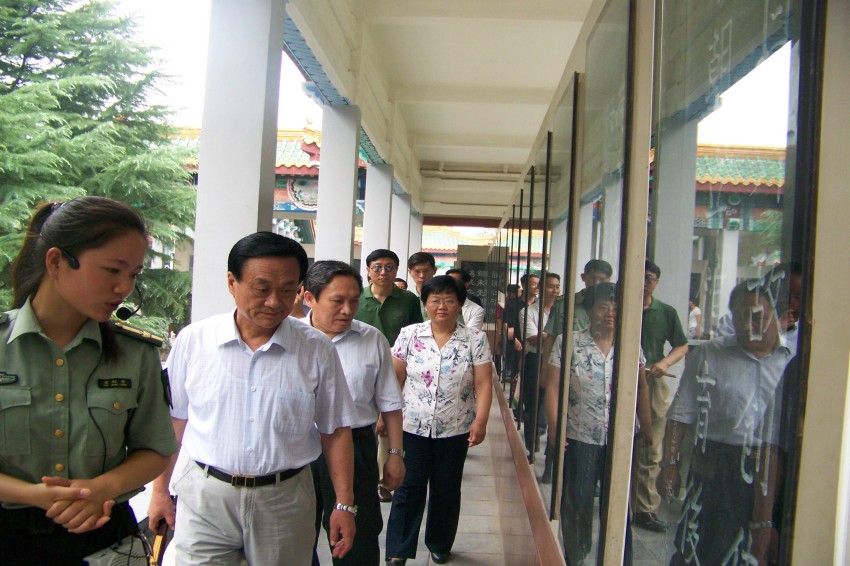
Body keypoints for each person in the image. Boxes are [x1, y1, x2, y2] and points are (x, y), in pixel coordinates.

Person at [147, 232, 357, 565]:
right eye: (262, 289)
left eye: (287, 290)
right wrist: (160, 491)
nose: (274, 302)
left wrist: (344, 504)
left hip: (284, 499)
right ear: (232, 282)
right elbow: (174, 421)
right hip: (205, 497)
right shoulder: (194, 341)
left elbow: (336, 430)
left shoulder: (316, 348)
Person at [0, 196, 178, 564]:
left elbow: (155, 448)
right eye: (112, 270)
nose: (123, 288)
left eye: (133, 275)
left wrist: (101, 489)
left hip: (105, 545)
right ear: (56, 262)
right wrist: (34, 495)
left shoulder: (135, 353)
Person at [658, 280, 795, 565]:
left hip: (774, 470)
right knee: (699, 552)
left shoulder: (793, 363)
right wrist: (669, 464)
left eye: (756, 317)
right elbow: (681, 414)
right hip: (716, 469)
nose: (746, 325)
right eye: (739, 317)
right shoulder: (710, 354)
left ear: (781, 315)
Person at [300, 261, 405, 566]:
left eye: (354, 301)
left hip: (356, 446)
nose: (347, 310)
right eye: (337, 301)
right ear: (309, 298)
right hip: (300, 448)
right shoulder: (291, 339)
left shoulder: (372, 339)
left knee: (358, 534)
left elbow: (390, 402)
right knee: (297, 533)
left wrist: (395, 454)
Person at [385, 275, 493, 565]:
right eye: (435, 300)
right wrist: (386, 416)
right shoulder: (410, 334)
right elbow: (395, 377)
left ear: (459, 304)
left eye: (449, 300)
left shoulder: (474, 339)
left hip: (455, 427)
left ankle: (440, 542)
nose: (441, 306)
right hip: (412, 426)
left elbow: (483, 383)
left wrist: (481, 420)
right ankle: (398, 549)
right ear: (425, 304)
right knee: (408, 487)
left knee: (446, 488)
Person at [546, 282, 651, 566]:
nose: (610, 313)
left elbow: (641, 387)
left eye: (615, 308)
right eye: (603, 307)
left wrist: (647, 428)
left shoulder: (630, 345)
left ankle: (619, 559)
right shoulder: (569, 342)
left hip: (620, 439)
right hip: (580, 435)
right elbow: (553, 386)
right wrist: (555, 429)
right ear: (590, 311)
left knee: (618, 505)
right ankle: (576, 557)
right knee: (578, 501)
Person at [354, 249, 423, 503]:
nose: (383, 272)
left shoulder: (408, 300)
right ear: (368, 270)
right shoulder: (357, 299)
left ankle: (383, 481)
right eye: (377, 267)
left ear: (397, 271)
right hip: (360, 368)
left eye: (389, 267)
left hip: (395, 369)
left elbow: (415, 336)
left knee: (387, 423)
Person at [540, 259, 613, 479]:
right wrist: (545, 371)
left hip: (595, 377)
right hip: (566, 371)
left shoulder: (611, 306)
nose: (597, 282)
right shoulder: (566, 304)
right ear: (584, 277)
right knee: (561, 421)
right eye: (593, 278)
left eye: (602, 279)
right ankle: (552, 464)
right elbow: (551, 337)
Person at [632, 260, 689, 533]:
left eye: (650, 278)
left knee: (650, 445)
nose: (644, 283)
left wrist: (665, 363)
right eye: (640, 277)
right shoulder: (618, 307)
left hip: (652, 383)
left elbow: (682, 345)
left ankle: (644, 508)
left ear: (656, 283)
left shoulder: (665, 312)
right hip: (616, 382)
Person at [518, 272, 561, 466]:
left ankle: (551, 452)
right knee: (533, 404)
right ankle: (532, 447)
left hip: (556, 361)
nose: (554, 290)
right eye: (550, 286)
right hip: (535, 360)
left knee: (555, 406)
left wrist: (545, 336)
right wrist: (554, 336)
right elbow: (531, 339)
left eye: (557, 287)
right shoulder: (528, 312)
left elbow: (545, 338)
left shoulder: (562, 312)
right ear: (540, 289)